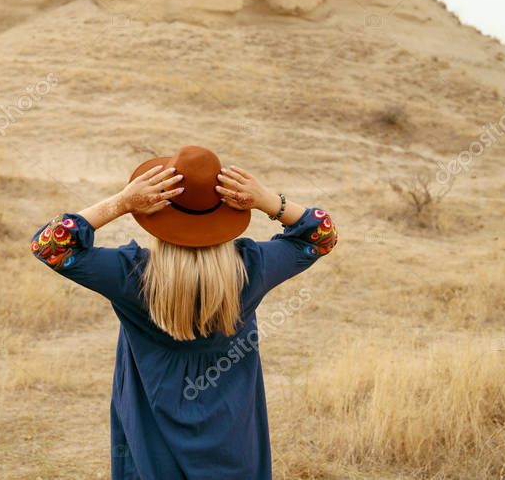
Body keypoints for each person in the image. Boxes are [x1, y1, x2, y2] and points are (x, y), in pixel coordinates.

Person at [31, 144, 338, 480]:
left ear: (156, 213)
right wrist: (268, 201)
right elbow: (321, 235)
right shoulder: (250, 270)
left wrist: (120, 203)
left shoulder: (132, 276)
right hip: (234, 454)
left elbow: (50, 246)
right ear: (228, 211)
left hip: (151, 458)